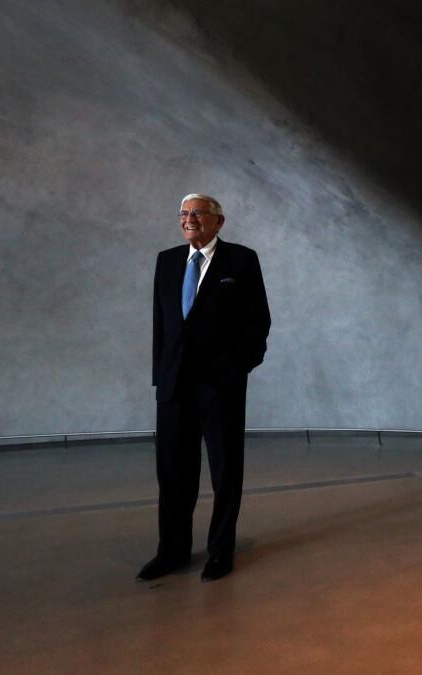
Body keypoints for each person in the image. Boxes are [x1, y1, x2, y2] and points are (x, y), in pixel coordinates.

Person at [138, 194, 271, 582]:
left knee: (225, 470)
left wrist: (236, 369)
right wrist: (160, 376)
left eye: (197, 213)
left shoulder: (242, 261)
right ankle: (172, 551)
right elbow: (161, 325)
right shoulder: (166, 261)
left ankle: (220, 552)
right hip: (174, 384)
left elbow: (258, 322)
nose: (189, 219)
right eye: (183, 214)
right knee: (174, 473)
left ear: (218, 221)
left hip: (221, 387)